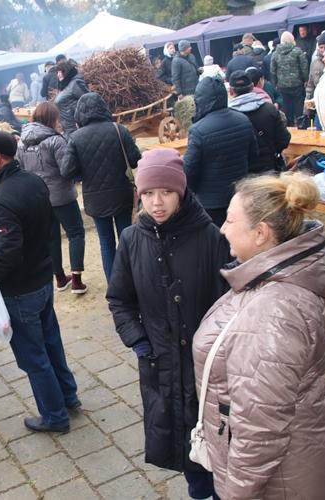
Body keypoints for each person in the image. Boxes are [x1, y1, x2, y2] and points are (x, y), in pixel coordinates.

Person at [193, 172, 325, 500]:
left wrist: (234, 494)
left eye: (230, 220)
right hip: (306, 451)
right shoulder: (284, 273)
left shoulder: (272, 314)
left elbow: (260, 433)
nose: (222, 229)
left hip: (285, 478)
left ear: (261, 233)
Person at [107, 149, 230, 500]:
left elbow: (231, 301)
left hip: (208, 367)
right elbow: (119, 299)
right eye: (147, 194)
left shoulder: (211, 237)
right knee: (180, 440)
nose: (156, 203)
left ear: (181, 191)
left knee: (217, 439)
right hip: (159, 361)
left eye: (165, 192)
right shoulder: (131, 240)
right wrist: (138, 340)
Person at [0, 130, 79, 433]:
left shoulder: (4, 199)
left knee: (34, 358)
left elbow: (7, 253)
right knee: (51, 344)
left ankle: (55, 417)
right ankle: (68, 397)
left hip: (21, 291)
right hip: (41, 281)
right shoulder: (31, 181)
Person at [61, 93, 141, 281]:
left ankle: (115, 288)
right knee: (126, 239)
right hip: (122, 194)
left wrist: (83, 173)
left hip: (95, 199)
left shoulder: (76, 137)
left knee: (106, 243)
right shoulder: (119, 130)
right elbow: (135, 159)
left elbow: (66, 171)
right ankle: (133, 281)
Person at [17, 102, 88, 294]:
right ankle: (77, 280)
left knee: (51, 239)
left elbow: (20, 169)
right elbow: (67, 169)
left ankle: (59, 278)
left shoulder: (21, 142)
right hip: (62, 196)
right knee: (75, 233)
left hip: (39, 199)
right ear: (51, 119)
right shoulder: (56, 141)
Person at [183, 77, 258, 227]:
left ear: (200, 100)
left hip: (210, 201)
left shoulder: (198, 130)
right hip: (239, 194)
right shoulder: (243, 120)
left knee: (216, 243)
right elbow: (254, 154)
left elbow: (189, 172)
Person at [228, 71, 291, 174]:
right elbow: (284, 139)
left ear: (231, 91)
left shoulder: (228, 115)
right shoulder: (269, 109)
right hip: (268, 168)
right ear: (252, 86)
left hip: (243, 172)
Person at [271, 31, 309, 125]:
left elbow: (273, 70)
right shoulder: (297, 51)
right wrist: (306, 79)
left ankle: (289, 125)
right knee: (298, 105)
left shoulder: (275, 53)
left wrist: (275, 83)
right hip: (297, 84)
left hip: (282, 85)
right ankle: (300, 123)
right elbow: (304, 67)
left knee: (286, 107)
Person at [54, 60, 89, 138]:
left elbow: (88, 101)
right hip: (68, 129)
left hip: (76, 128)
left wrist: (80, 121)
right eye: (57, 72)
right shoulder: (65, 85)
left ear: (66, 71)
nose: (58, 74)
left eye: (61, 72)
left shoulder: (75, 83)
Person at [305, 31, 325, 101]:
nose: (323, 50)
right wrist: (306, 109)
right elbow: (310, 86)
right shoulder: (315, 63)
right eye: (321, 47)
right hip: (320, 101)